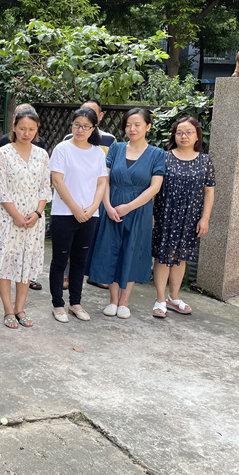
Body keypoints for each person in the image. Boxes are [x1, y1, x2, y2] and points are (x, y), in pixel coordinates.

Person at [84, 108, 166, 319]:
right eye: (128, 125)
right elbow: (104, 179)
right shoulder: (116, 148)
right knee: (111, 250)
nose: (132, 129)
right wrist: (107, 205)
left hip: (139, 210)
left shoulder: (157, 154)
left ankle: (125, 301)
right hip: (111, 207)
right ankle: (113, 300)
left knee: (132, 251)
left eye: (137, 124)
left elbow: (155, 187)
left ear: (148, 126)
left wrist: (129, 207)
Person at [0, 108, 51, 329]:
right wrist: (15, 215)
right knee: (6, 261)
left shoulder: (42, 154)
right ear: (14, 127)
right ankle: (8, 309)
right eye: (22, 128)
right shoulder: (3, 153)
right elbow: (0, 188)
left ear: (37, 129)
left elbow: (45, 188)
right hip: (8, 217)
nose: (27, 133)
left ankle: (20, 307)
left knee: (26, 261)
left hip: (33, 218)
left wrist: (38, 213)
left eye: (31, 129)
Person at [48, 107, 108, 323]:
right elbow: (57, 181)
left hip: (90, 215)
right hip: (64, 213)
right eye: (76, 125)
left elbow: (102, 182)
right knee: (59, 261)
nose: (80, 130)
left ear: (93, 128)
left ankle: (75, 303)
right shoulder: (62, 149)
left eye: (85, 126)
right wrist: (75, 208)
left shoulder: (97, 153)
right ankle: (58, 304)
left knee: (80, 262)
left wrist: (92, 208)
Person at [151, 117, 215, 318]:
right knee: (162, 257)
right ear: (174, 136)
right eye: (179, 132)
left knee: (180, 258)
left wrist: (205, 218)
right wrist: (150, 213)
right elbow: (153, 187)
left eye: (188, 132)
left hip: (190, 217)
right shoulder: (164, 157)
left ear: (197, 136)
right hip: (164, 214)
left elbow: (209, 191)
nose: (184, 136)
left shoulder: (205, 161)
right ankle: (160, 299)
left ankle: (174, 297)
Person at [63, 99, 116, 290]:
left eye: (92, 113)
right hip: (73, 197)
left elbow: (107, 171)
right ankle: (66, 275)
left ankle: (94, 274)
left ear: (99, 117)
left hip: (97, 197)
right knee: (70, 241)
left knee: (95, 238)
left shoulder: (109, 140)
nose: (86, 116)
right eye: (83, 111)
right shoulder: (69, 138)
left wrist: (99, 201)